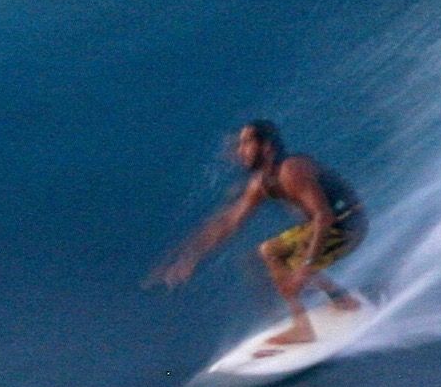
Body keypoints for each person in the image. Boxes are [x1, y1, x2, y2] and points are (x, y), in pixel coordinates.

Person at [150, 120, 365, 346]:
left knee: (276, 255)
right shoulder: (260, 183)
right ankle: (342, 299)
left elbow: (324, 217)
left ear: (267, 147)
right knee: (279, 257)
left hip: (348, 225)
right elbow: (231, 222)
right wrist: (191, 258)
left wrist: (306, 267)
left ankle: (303, 329)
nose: (240, 151)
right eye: (239, 145)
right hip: (323, 226)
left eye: (246, 143)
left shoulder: (292, 170)